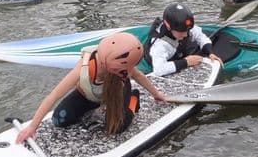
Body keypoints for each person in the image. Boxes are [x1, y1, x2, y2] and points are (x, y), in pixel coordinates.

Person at [14, 32, 167, 143]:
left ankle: (133, 99)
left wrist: (156, 94)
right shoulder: (84, 66)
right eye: (124, 69)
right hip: (88, 96)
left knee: (115, 128)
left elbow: (138, 76)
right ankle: (97, 107)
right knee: (59, 120)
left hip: (116, 94)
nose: (127, 72)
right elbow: (54, 95)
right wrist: (32, 127)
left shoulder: (123, 68)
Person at [144, 3, 223, 77]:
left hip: (178, 48)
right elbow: (159, 70)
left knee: (194, 43)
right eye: (181, 32)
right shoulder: (160, 44)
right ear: (169, 27)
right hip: (159, 59)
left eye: (186, 31)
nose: (185, 35)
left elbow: (201, 37)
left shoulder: (183, 27)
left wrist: (210, 52)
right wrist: (186, 62)